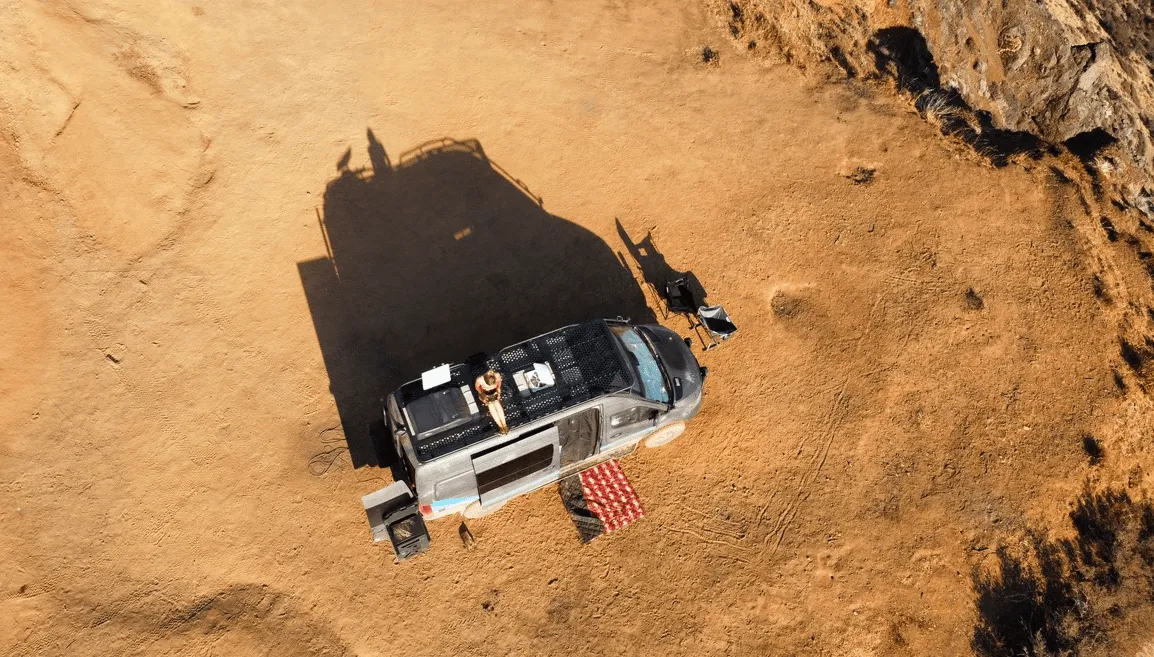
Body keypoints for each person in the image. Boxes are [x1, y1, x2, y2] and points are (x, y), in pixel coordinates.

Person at [474, 369, 508, 434]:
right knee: (491, 407)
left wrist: (498, 389)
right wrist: (482, 393)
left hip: (494, 392)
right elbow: (477, 387)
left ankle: (504, 424)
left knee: (498, 405)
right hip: (485, 392)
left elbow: (499, 382)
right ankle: (500, 425)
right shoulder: (480, 379)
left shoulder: (497, 375)